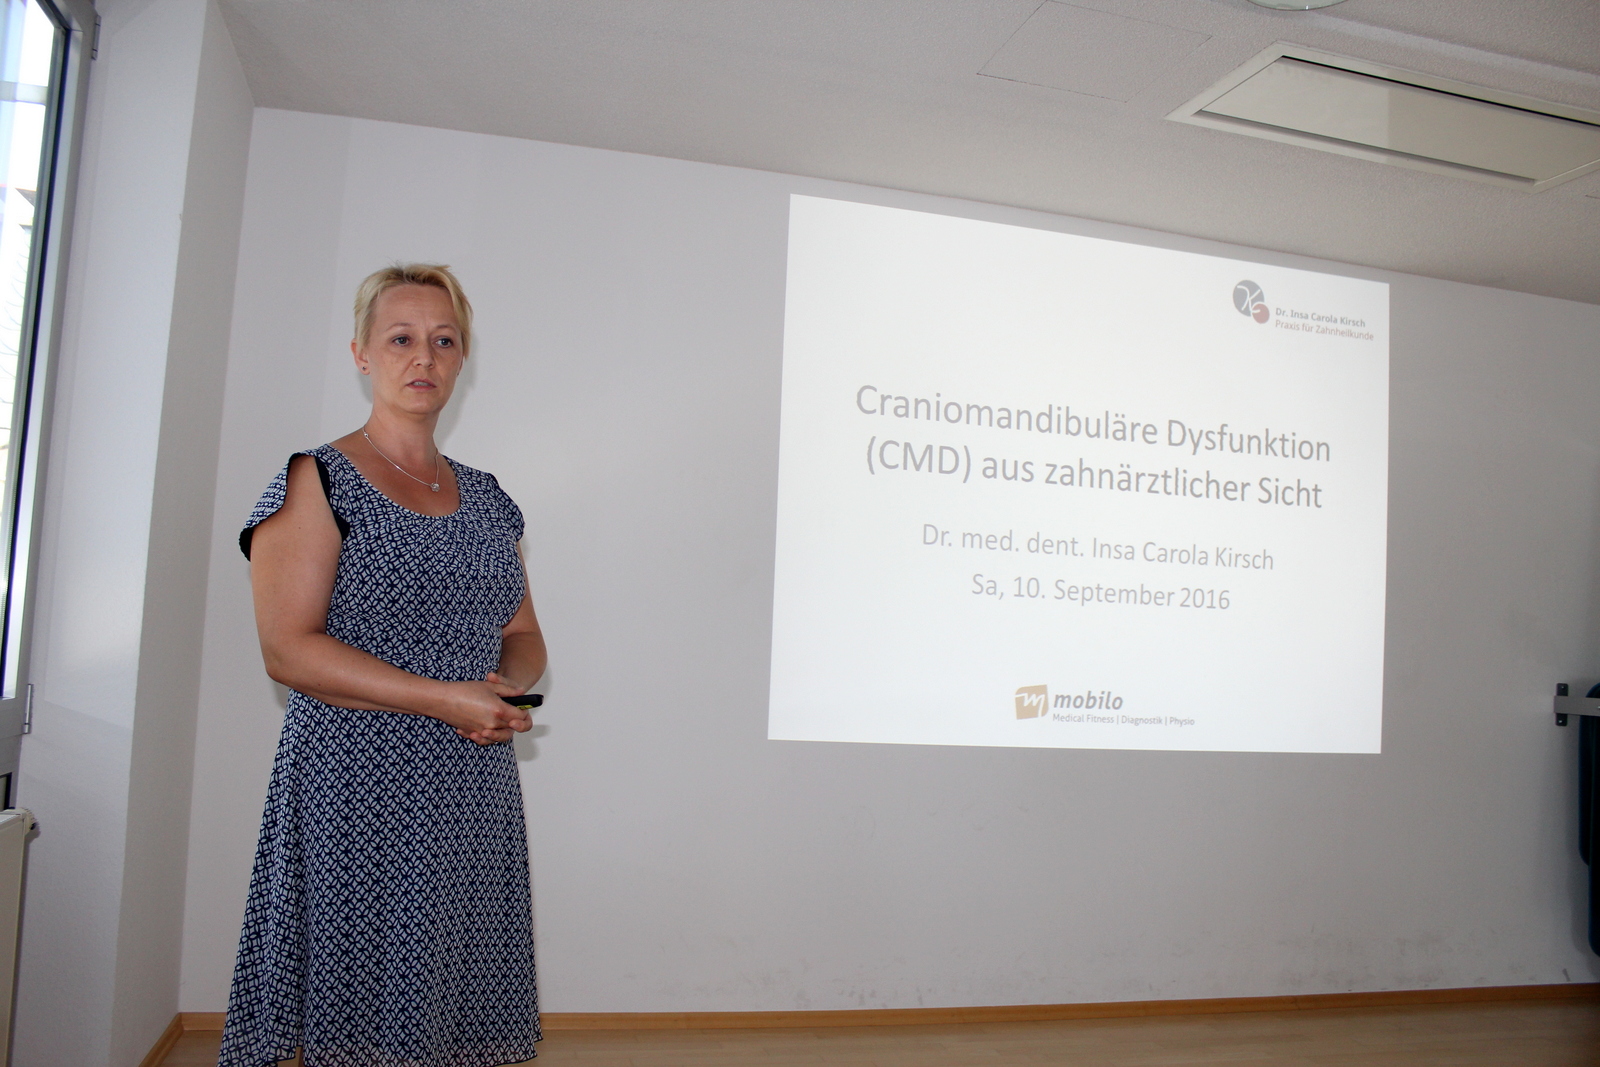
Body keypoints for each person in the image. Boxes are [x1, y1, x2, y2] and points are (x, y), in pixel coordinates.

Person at [218, 264, 546, 1067]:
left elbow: (524, 631)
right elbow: (287, 648)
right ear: (361, 354)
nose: (423, 356)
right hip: (356, 779)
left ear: (462, 359)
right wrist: (444, 698)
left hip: (469, 783)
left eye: (444, 340)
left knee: (448, 1003)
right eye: (400, 338)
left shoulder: (489, 497)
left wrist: (503, 685)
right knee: (358, 1007)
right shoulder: (316, 477)